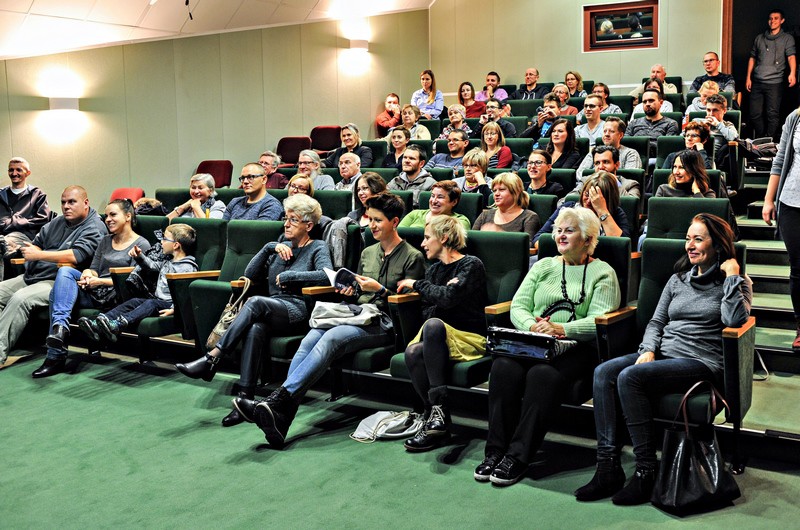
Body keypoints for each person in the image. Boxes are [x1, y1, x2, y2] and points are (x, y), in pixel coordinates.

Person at [575, 213, 750, 505]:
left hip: (701, 361)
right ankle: (608, 467)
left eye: (698, 239)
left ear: (717, 245)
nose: (690, 246)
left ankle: (646, 471)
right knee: (604, 372)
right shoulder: (677, 279)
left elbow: (734, 320)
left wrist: (733, 276)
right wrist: (648, 350)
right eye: (687, 239)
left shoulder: (733, 282)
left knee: (630, 377)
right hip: (665, 354)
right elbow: (656, 322)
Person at [232, 193, 425, 448]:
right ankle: (281, 415)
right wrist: (350, 290)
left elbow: (411, 307)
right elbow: (358, 291)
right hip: (356, 314)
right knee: (312, 335)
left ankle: (279, 402)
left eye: (379, 220)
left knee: (332, 337)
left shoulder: (412, 256)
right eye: (371, 219)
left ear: (395, 222)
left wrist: (380, 290)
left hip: (386, 323)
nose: (373, 225)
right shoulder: (368, 252)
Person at [475, 207, 621, 486]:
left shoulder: (603, 272)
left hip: (577, 347)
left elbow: (600, 320)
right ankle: (494, 451)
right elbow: (519, 305)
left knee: (542, 375)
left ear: (589, 237)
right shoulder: (543, 266)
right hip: (535, 341)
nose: (560, 235)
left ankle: (518, 456)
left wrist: (562, 329)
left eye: (569, 230)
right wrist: (532, 326)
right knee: (503, 366)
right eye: (558, 230)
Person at [176, 195, 333, 426]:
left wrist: (291, 276)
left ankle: (212, 357)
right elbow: (249, 275)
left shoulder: (318, 247)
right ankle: (244, 401)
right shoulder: (279, 245)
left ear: (308, 225)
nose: (286, 224)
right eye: (286, 219)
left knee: (257, 302)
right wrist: (269, 248)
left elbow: (326, 275)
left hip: (299, 310)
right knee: (255, 329)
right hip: (271, 310)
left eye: (293, 220)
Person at [399, 216, 488, 451]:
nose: (423, 244)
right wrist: (440, 291)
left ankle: (436, 413)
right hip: (438, 339)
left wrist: (418, 285)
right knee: (413, 351)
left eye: (427, 237)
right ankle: (435, 419)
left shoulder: (471, 264)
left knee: (434, 325)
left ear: (444, 238)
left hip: (470, 336)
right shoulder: (435, 271)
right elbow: (429, 307)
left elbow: (447, 300)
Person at [33, 199, 151, 378]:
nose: (108, 220)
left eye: (113, 215)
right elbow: (94, 268)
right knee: (65, 272)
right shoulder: (105, 241)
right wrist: (89, 274)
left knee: (56, 294)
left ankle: (55, 357)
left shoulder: (141, 245)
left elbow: (135, 282)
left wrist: (100, 282)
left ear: (128, 216)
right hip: (95, 291)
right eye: (106, 216)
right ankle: (60, 329)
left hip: (118, 296)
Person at [0, 186, 105, 368]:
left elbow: (75, 256)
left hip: (60, 282)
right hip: (33, 275)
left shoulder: (94, 226)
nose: (66, 206)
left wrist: (40, 255)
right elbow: (35, 245)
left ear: (86, 203)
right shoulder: (57, 222)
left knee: (20, 299)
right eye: (63, 202)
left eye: (72, 202)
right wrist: (43, 254)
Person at [78, 224, 198, 343]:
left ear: (176, 245)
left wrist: (174, 309)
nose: (161, 241)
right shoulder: (168, 261)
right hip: (158, 301)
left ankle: (120, 323)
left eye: (165, 239)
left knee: (151, 303)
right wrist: (139, 256)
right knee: (135, 301)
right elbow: (152, 266)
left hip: (169, 305)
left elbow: (185, 296)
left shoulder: (187, 268)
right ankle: (102, 321)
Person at [763, 106, 800, 349]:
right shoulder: (795, 118)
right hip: (792, 202)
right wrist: (768, 199)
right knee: (798, 269)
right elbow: (779, 161)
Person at [533, 172, 629, 250]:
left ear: (608, 198)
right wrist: (567, 249)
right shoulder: (568, 208)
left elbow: (620, 247)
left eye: (595, 197)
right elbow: (538, 238)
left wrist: (602, 210)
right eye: (587, 194)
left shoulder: (616, 214)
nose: (589, 201)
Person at [746, 9, 797, 140]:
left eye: (776, 18)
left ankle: (769, 140)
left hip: (775, 82)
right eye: (770, 18)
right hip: (757, 81)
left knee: (772, 114)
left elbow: (791, 56)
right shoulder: (759, 38)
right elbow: (752, 57)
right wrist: (748, 77)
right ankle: (761, 138)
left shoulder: (787, 39)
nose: (772, 21)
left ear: (782, 21)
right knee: (754, 114)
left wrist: (792, 73)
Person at [0, 157, 52, 275]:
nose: (14, 173)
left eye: (18, 170)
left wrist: (13, 223)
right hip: (3, 237)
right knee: (3, 242)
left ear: (27, 173)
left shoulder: (37, 194)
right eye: (11, 170)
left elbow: (43, 219)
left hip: (27, 238)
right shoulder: (1, 194)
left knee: (6, 242)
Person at [473, 172, 540, 243]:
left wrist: (499, 234)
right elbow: (471, 241)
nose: (496, 194)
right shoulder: (485, 215)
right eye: (494, 190)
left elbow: (528, 247)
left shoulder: (529, 217)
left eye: (501, 190)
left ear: (516, 192)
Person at [569, 146, 641, 200]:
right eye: (597, 163)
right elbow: (565, 200)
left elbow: (631, 206)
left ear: (617, 165)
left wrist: (615, 183)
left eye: (606, 162)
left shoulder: (630, 185)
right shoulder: (585, 181)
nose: (601, 167)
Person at [628, 88, 680, 160]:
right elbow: (626, 145)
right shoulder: (633, 123)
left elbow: (666, 150)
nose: (647, 104)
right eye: (644, 102)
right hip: (634, 159)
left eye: (651, 101)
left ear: (661, 102)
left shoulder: (670, 124)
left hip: (657, 161)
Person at [399, 179, 471, 230]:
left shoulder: (460, 221)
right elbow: (399, 235)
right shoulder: (415, 214)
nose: (434, 201)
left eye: (440, 197)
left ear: (454, 202)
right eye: (432, 196)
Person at [577, 117, 643, 172]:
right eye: (605, 131)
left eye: (611, 131)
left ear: (620, 135)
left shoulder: (630, 153)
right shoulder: (595, 152)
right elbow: (580, 173)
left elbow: (631, 177)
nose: (607, 134)